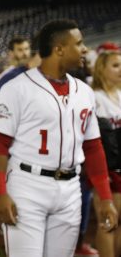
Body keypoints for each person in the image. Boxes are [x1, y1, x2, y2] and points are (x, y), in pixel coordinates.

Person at [0, 19, 118, 257]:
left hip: (70, 189)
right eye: (78, 44)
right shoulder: (17, 88)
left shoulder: (84, 91)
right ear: (59, 49)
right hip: (27, 185)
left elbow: (93, 147)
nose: (84, 49)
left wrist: (105, 197)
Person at [91, 50, 121, 257]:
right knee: (109, 222)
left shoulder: (120, 94)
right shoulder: (95, 98)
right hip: (108, 168)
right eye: (116, 65)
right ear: (101, 69)